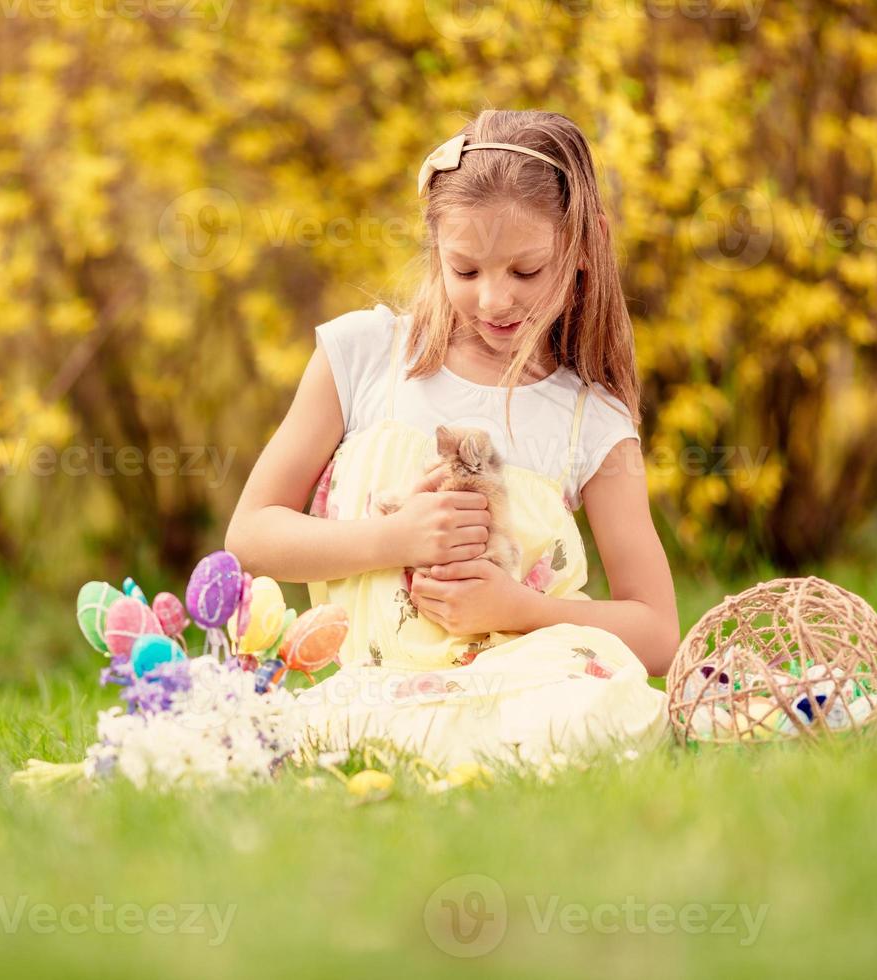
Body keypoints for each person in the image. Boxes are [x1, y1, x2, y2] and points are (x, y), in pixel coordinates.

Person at [225, 109, 679, 773]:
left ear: (585, 247)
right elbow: (251, 536)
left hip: (521, 682)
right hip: (381, 688)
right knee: (293, 733)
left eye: (526, 271)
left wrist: (518, 608)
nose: (495, 300)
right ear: (436, 246)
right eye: (465, 270)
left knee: (589, 712)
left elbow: (659, 631)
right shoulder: (363, 357)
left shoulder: (593, 421)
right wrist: (393, 539)